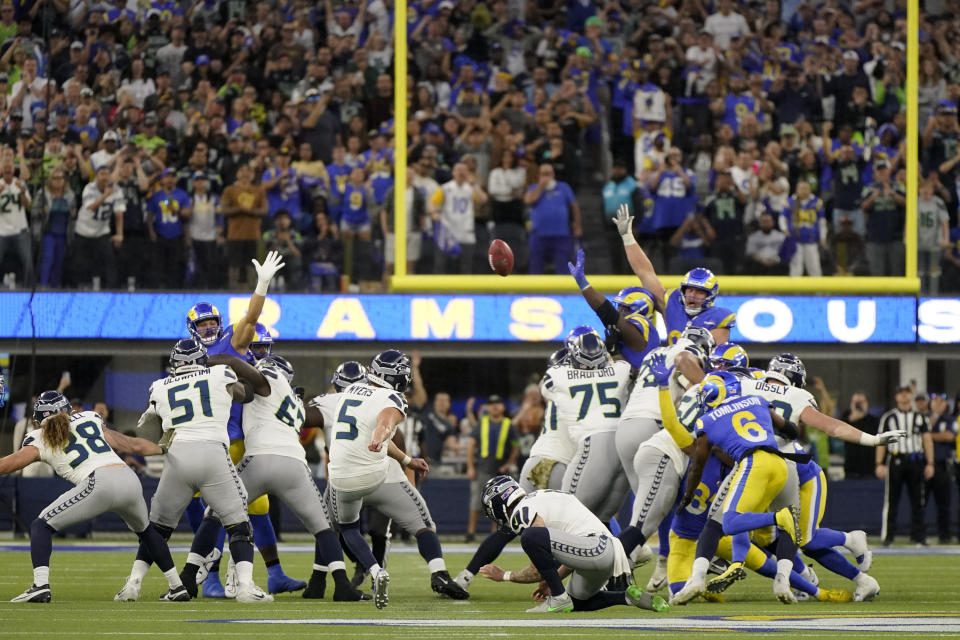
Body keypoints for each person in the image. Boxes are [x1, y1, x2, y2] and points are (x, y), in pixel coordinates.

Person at [179, 354, 366, 601]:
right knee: (324, 528)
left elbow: (238, 366)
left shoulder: (270, 379)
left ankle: (188, 577)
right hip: (295, 466)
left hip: (261, 459)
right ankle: (342, 585)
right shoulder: (295, 402)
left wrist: (210, 360)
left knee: (213, 513)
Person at [115, 340, 272, 603]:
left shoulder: (159, 386)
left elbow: (157, 431)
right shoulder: (219, 373)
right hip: (212, 453)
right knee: (239, 525)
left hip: (178, 457)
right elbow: (248, 394)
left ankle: (133, 583)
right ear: (203, 359)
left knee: (158, 529)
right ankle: (244, 587)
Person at [0, 391, 187, 603]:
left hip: (99, 482)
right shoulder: (90, 418)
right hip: (129, 478)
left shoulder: (39, 437)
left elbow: (8, 464)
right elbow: (132, 445)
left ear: (40, 418)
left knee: (41, 525)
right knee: (146, 532)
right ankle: (176, 586)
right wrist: (161, 448)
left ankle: (40, 586)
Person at [324, 350, 468, 609]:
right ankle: (439, 573)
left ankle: (376, 572)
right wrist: (382, 435)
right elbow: (385, 423)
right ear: (397, 377)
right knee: (423, 523)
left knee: (348, 528)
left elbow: (375, 431)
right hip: (379, 475)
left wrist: (405, 458)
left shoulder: (350, 392)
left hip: (342, 477)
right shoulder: (391, 397)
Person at [477, 476, 669, 614]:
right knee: (578, 603)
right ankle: (626, 597)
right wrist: (552, 581)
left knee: (530, 537)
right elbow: (572, 553)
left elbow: (536, 567)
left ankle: (559, 599)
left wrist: (504, 575)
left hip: (597, 548)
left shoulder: (522, 511)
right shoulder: (542, 498)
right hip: (602, 552)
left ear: (498, 505)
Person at [544, 331, 631, 524]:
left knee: (566, 514)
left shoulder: (557, 375)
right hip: (624, 446)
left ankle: (552, 554)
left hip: (594, 444)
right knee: (602, 519)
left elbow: (547, 390)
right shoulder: (621, 369)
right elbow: (629, 371)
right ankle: (617, 554)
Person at [875, 385, 934, 546]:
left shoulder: (920, 417)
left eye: (907, 393)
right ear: (896, 397)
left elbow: (927, 440)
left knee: (918, 501)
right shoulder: (888, 417)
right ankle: (888, 537)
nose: (904, 396)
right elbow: (881, 441)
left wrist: (930, 463)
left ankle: (919, 537)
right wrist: (879, 463)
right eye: (901, 393)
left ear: (911, 396)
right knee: (891, 500)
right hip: (896, 460)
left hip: (916, 460)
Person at [465, 395, 518, 542]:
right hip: (483, 468)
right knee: (476, 502)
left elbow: (515, 447)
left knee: (499, 504)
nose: (495, 406)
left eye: (498, 403)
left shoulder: (509, 424)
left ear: (502, 407)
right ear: (488, 407)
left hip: (501, 471)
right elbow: (471, 445)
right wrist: (470, 466)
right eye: (492, 404)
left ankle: (495, 534)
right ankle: (471, 533)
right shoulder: (482, 423)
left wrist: (509, 463)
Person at [429, 162, 487, 274]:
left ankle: (465, 290)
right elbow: (432, 202)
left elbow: (483, 199)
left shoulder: (470, 189)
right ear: (453, 172)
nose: (460, 172)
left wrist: (474, 185)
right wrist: (434, 213)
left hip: (466, 231)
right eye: (458, 169)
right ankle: (438, 290)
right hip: (448, 231)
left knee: (466, 265)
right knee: (441, 264)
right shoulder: (446, 188)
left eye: (463, 170)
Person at [524, 163, 582, 275]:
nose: (546, 177)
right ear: (538, 176)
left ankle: (563, 293)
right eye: (543, 174)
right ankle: (535, 292)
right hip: (538, 236)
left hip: (561, 236)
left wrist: (578, 225)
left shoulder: (564, 187)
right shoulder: (533, 187)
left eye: (548, 174)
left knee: (564, 270)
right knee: (535, 270)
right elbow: (528, 200)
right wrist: (541, 187)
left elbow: (574, 206)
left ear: (553, 175)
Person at [222, 164, 268, 288]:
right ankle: (232, 292)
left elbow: (264, 211)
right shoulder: (229, 190)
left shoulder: (259, 190)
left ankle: (253, 292)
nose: (245, 173)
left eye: (248, 171)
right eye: (242, 170)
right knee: (234, 266)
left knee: (252, 266)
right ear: (237, 174)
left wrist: (248, 211)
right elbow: (224, 210)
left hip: (253, 235)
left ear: (253, 175)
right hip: (234, 235)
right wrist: (240, 208)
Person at [146, 168, 190, 289]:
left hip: (176, 234)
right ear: (162, 180)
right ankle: (160, 287)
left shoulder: (182, 194)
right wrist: (151, 232)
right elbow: (150, 215)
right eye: (167, 177)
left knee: (175, 264)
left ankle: (174, 288)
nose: (170, 179)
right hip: (160, 234)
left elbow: (187, 213)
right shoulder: (156, 196)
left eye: (172, 177)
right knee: (159, 264)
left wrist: (177, 211)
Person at [925, 393, 956, 544]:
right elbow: (922, 434)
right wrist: (934, 416)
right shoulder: (924, 418)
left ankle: (944, 535)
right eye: (935, 401)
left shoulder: (950, 419)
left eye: (941, 401)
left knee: (944, 504)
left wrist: (929, 436)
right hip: (925, 466)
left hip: (943, 466)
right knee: (920, 503)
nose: (938, 404)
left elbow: (950, 436)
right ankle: (919, 535)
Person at [783, 181, 826, 277]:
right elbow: (783, 217)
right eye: (801, 188)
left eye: (806, 188)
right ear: (797, 190)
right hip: (795, 239)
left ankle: (819, 291)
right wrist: (785, 229)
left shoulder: (817, 202)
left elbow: (821, 221)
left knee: (814, 267)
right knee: (796, 267)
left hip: (811, 239)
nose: (803, 191)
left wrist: (823, 236)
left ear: (810, 190)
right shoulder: (790, 202)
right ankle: (795, 291)